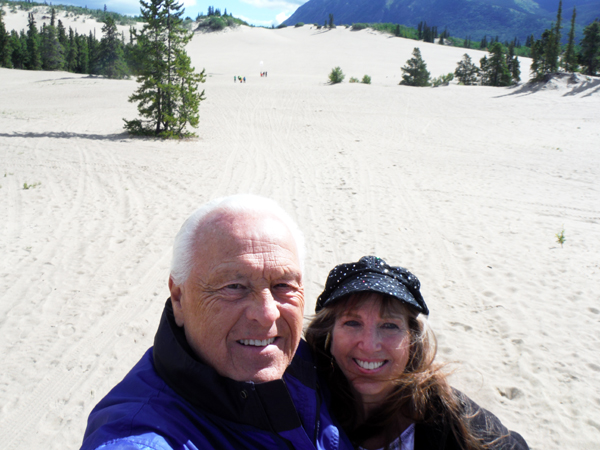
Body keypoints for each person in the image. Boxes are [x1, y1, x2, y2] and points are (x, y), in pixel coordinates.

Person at [80, 195, 353, 450]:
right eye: (234, 286)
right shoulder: (143, 435)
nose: (268, 313)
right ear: (178, 298)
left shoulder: (305, 359)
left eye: (283, 285)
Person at [306, 256, 529, 450]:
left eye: (389, 325)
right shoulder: (303, 402)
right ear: (329, 333)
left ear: (412, 340)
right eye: (352, 322)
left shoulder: (451, 418)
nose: (370, 345)